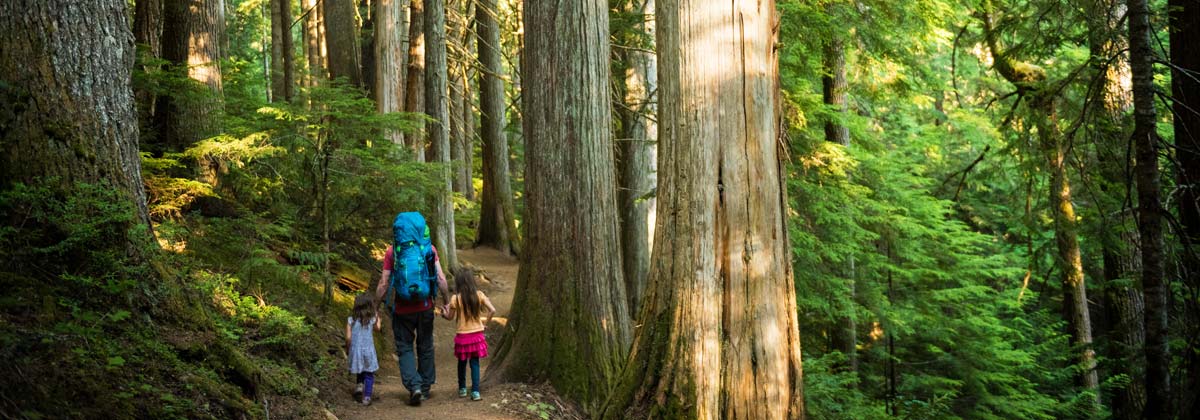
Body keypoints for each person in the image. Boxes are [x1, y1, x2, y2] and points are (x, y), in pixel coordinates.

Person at [375, 244, 450, 406]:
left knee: (404, 347)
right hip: (425, 307)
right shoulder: (429, 248)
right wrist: (447, 301)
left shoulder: (392, 251)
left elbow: (384, 283)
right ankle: (424, 387)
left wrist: (376, 308)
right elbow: (441, 278)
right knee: (426, 345)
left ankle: (414, 387)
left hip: (402, 309)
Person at [440, 268, 495, 401]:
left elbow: (450, 317)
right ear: (471, 281)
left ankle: (462, 389)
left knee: (462, 363)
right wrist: (484, 324)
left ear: (458, 282)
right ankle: (475, 392)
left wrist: (443, 314)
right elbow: (492, 310)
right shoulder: (479, 295)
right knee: (475, 363)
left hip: (462, 337)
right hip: (477, 335)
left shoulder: (455, 299)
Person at [345, 292, 382, 406]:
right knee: (369, 373)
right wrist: (377, 317)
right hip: (368, 350)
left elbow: (348, 337)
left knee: (360, 369)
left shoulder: (351, 320)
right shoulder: (371, 319)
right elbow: (378, 328)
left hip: (356, 350)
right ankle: (367, 397)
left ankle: (359, 386)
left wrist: (348, 349)